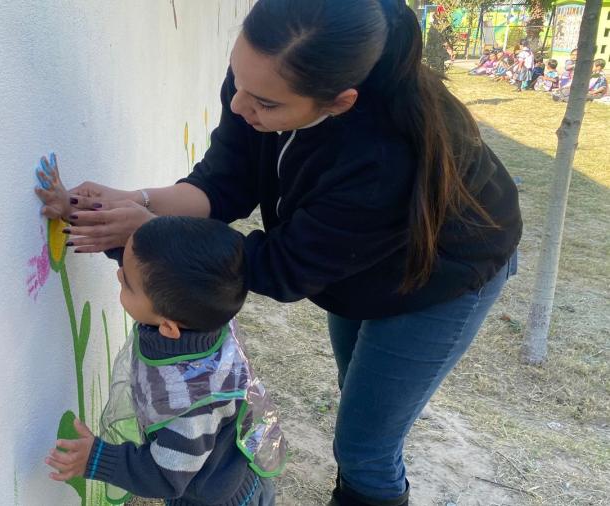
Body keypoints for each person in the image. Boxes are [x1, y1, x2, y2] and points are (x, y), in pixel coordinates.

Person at [37, 1, 522, 504]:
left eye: (265, 104)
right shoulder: (262, 83)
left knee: (364, 447)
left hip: (438, 276)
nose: (239, 107)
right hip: (355, 264)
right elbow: (224, 181)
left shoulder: (381, 159)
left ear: (339, 102)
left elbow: (280, 266)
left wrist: (147, 235)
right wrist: (134, 203)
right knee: (356, 390)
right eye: (237, 81)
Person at [41, 213, 286, 506]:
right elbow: (141, 266)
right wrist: (71, 211)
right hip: (219, 473)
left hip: (213, 498)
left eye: (127, 284)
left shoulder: (191, 404)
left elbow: (166, 475)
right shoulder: (200, 310)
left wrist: (97, 458)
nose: (120, 275)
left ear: (168, 327)